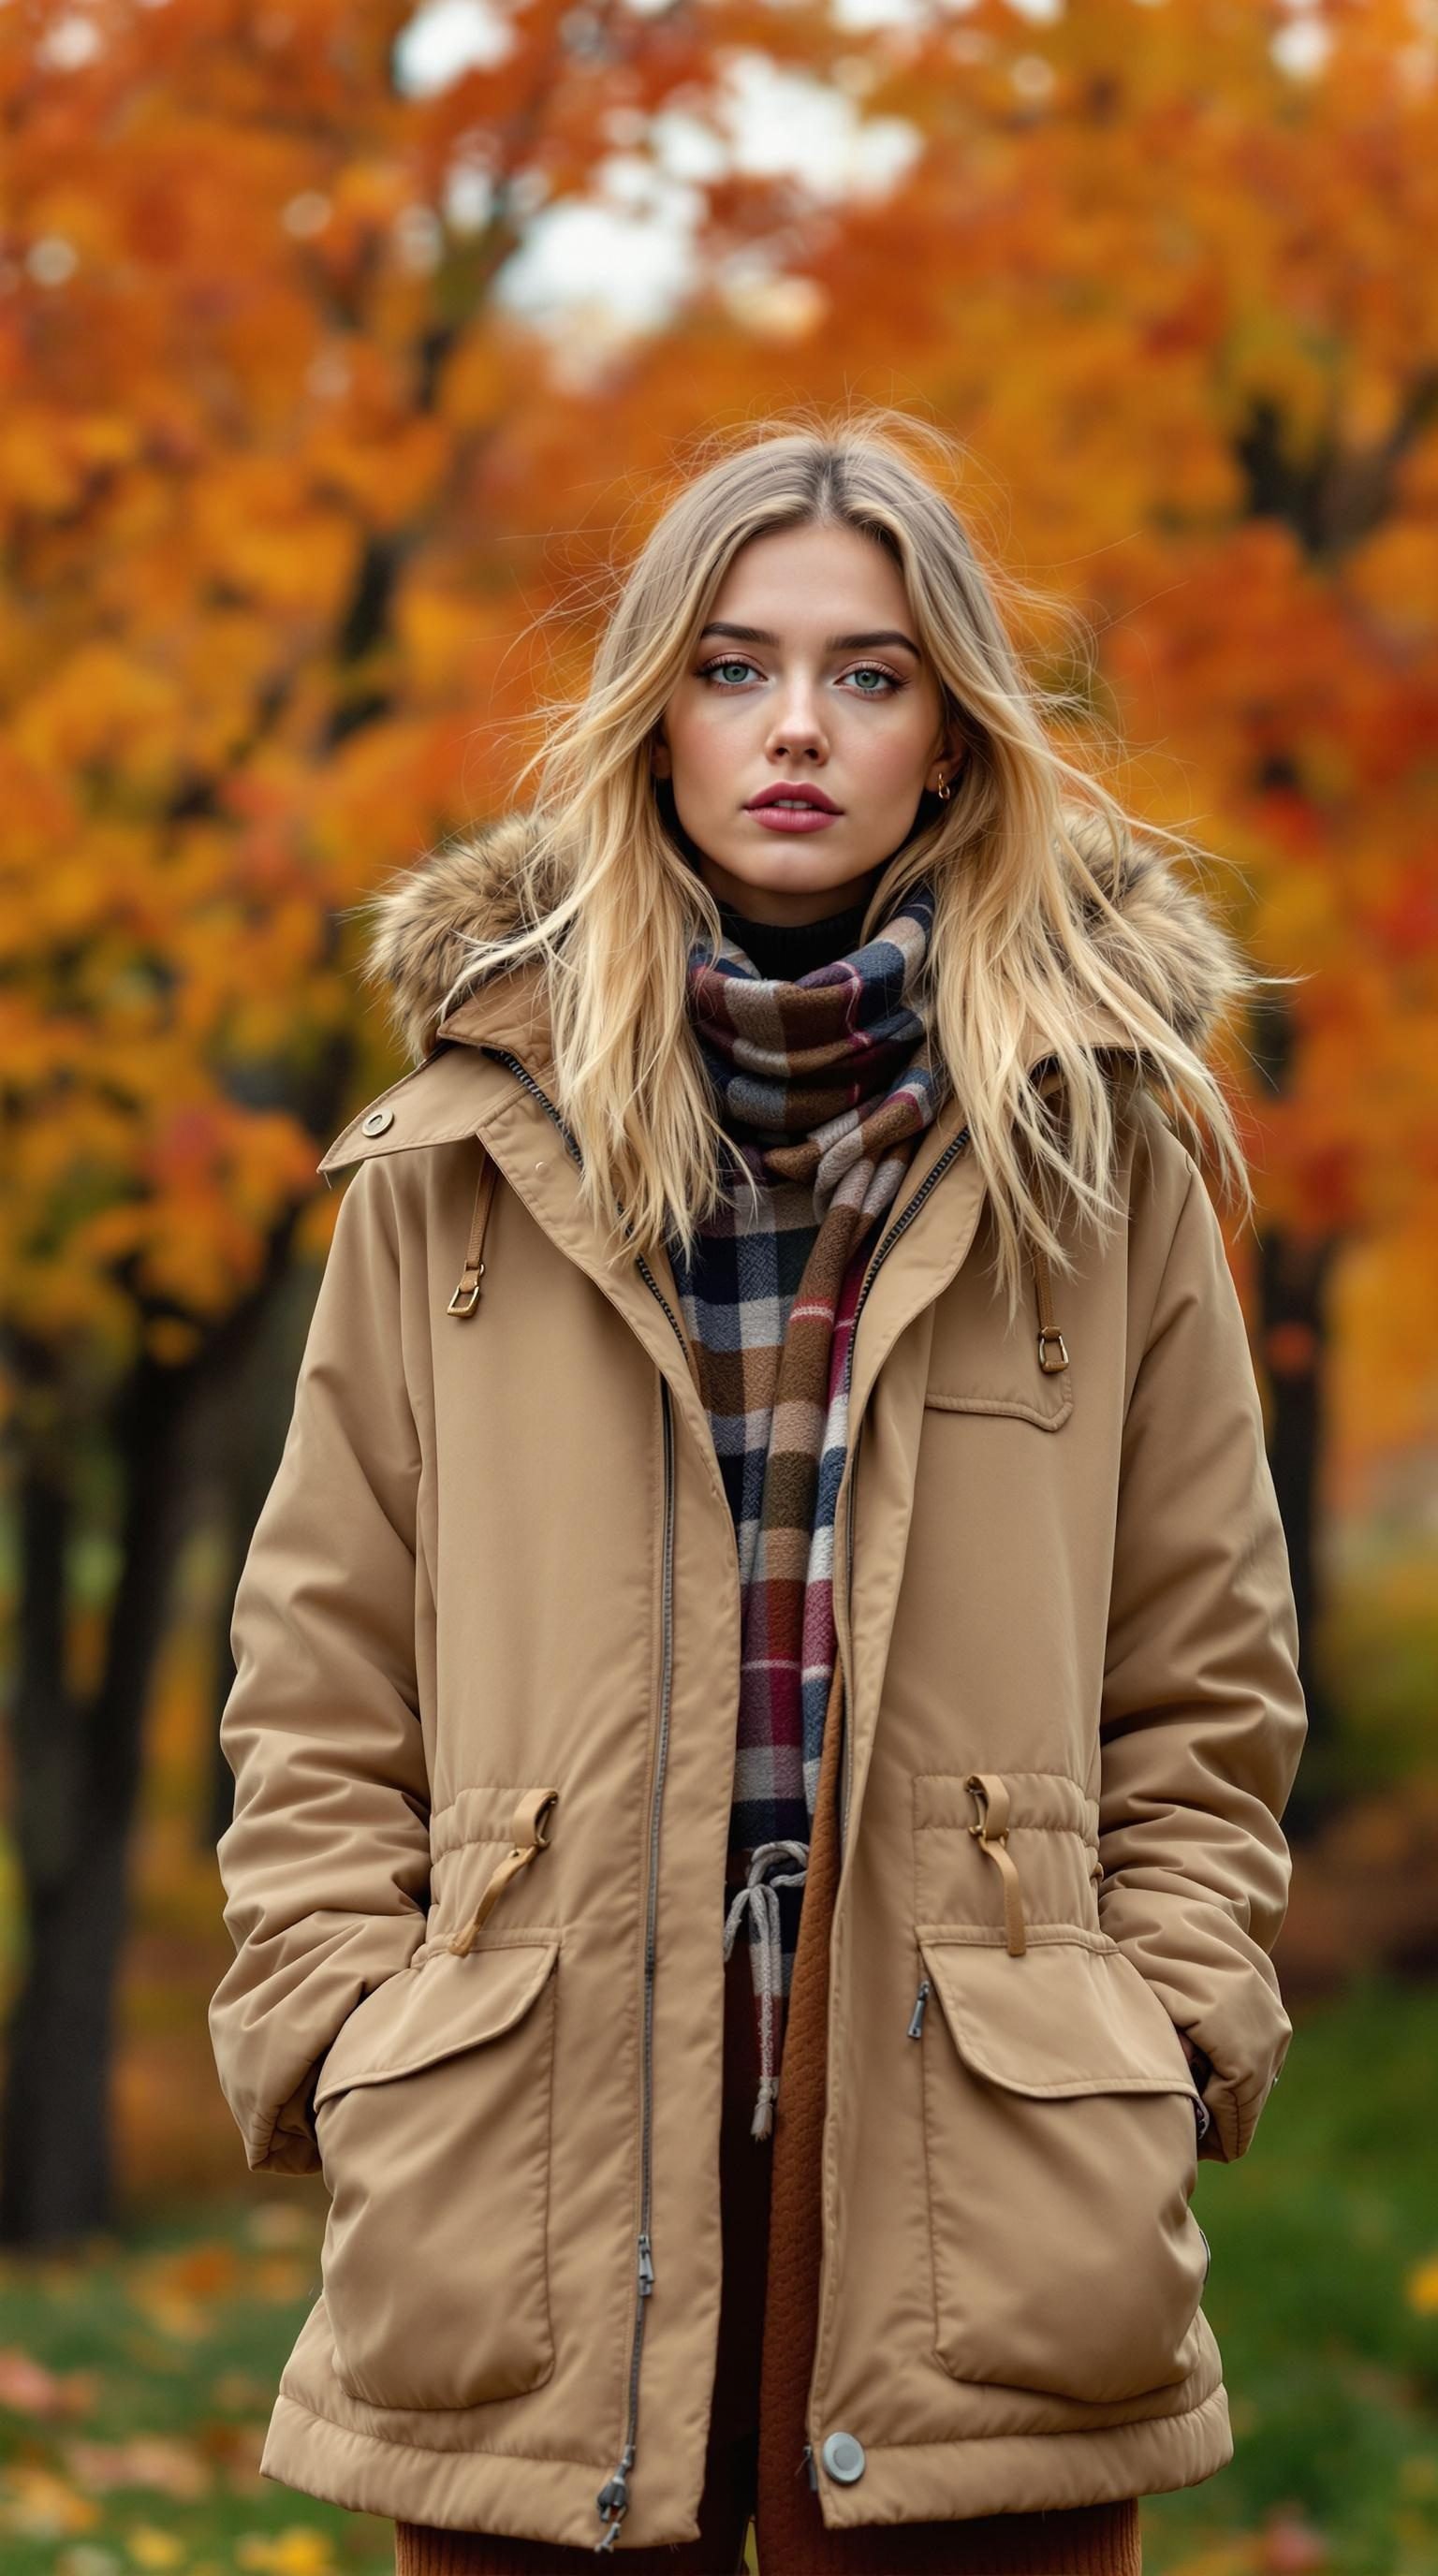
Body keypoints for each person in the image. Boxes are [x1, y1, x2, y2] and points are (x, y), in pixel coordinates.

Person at [208, 408, 1308, 2575]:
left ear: (954, 742)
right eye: (732, 666)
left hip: (984, 2190)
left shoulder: (1105, 1167)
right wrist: (350, 2041)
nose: (795, 723)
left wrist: (1159, 2037)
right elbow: (316, 1687)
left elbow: (1207, 1690)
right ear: (653, 718)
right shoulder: (455, 1170)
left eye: (869, 671)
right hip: (520, 2176)